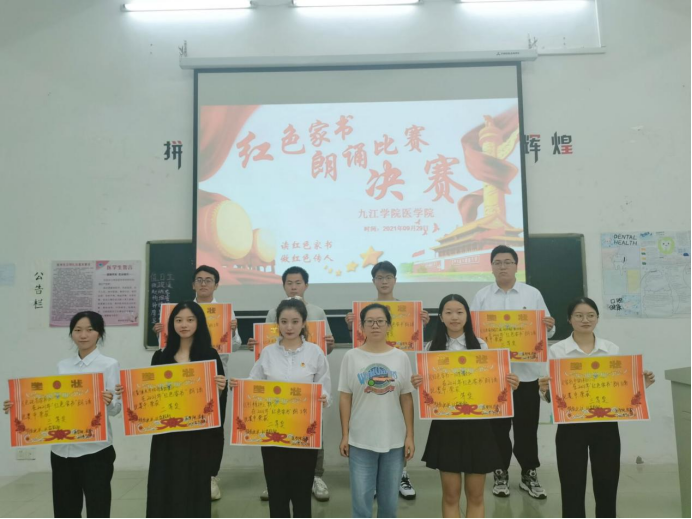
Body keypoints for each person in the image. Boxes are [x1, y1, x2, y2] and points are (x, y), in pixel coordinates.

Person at [539, 297, 655, 518]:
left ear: (597, 318)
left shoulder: (610, 349)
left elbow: (619, 388)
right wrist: (544, 389)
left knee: (607, 484)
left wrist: (640, 385)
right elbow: (551, 395)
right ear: (569, 319)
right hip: (571, 427)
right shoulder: (557, 351)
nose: (585, 320)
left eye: (591, 315)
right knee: (571, 485)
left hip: (606, 426)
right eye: (579, 315)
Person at [411, 295, 519, 518]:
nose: (454, 317)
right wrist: (418, 382)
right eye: (449, 312)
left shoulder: (481, 346)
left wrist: (509, 383)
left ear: (467, 316)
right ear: (441, 317)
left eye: (459, 312)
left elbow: (493, 383)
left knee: (476, 496)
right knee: (450, 496)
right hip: (446, 426)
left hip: (478, 427)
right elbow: (428, 389)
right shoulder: (431, 348)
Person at [4, 311, 121, 518]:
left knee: (98, 507)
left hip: (95, 450)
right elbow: (53, 402)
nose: (83, 335)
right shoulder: (63, 365)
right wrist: (18, 406)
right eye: (77, 330)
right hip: (62, 450)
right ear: (71, 333)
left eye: (89, 330)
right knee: (65, 509)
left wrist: (109, 401)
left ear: (99, 333)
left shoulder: (109, 364)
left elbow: (116, 409)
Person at [231, 298, 331, 518]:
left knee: (302, 492)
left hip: (304, 434)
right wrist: (240, 386)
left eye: (295, 321)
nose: (289, 327)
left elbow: (325, 387)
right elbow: (255, 382)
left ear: (303, 323)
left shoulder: (315, 352)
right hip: (272, 433)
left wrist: (324, 397)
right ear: (277, 323)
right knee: (277, 491)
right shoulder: (268, 352)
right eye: (284, 321)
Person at [471, 245, 555, 499]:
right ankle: (500, 472)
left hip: (527, 374)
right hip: (495, 377)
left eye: (508, 262)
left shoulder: (532, 294)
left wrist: (548, 326)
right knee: (497, 428)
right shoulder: (482, 297)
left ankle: (529, 473)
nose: (503, 266)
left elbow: (548, 331)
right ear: (491, 267)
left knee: (526, 428)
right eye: (497, 262)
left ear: (517, 265)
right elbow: (472, 334)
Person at [152, 265, 240, 501]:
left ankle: (210, 475)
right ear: (193, 284)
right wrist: (160, 332)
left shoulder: (226, 312)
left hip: (214, 379)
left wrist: (232, 332)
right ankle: (179, 474)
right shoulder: (177, 311)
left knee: (213, 429)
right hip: (179, 382)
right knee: (178, 427)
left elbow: (234, 346)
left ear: (216, 284)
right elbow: (167, 349)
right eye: (199, 280)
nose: (203, 284)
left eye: (208, 280)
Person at [247, 266, 334, 502]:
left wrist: (330, 344)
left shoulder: (318, 313)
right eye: (289, 283)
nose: (289, 326)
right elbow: (259, 371)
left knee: (313, 436)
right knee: (276, 452)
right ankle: (274, 482)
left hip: (306, 404)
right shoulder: (271, 322)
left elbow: (326, 359)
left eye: (298, 282)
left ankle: (315, 477)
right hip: (275, 408)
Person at [344, 260, 429, 499]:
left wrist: (422, 325)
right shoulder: (365, 310)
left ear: (395, 280)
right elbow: (359, 342)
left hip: (397, 365)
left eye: (388, 277)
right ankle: (372, 480)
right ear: (373, 281)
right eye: (379, 277)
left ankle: (401, 474)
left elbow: (415, 342)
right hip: (370, 366)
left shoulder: (408, 310)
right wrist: (351, 327)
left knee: (396, 424)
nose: (384, 281)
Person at [142, 302, 228, 518]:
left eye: (190, 320)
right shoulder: (161, 356)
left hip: (198, 435)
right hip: (167, 436)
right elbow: (152, 397)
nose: (184, 325)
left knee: (195, 484)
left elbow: (217, 403)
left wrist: (220, 389)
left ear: (199, 323)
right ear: (172, 324)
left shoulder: (210, 355)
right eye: (178, 320)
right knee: (165, 483)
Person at [339, 303, 415, 518]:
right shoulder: (351, 356)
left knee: (389, 504)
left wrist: (410, 435)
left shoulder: (400, 357)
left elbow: (406, 398)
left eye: (380, 321)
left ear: (388, 326)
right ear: (361, 326)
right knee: (361, 505)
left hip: (394, 441)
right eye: (369, 322)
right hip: (360, 440)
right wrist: (345, 434)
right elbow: (345, 396)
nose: (375, 326)